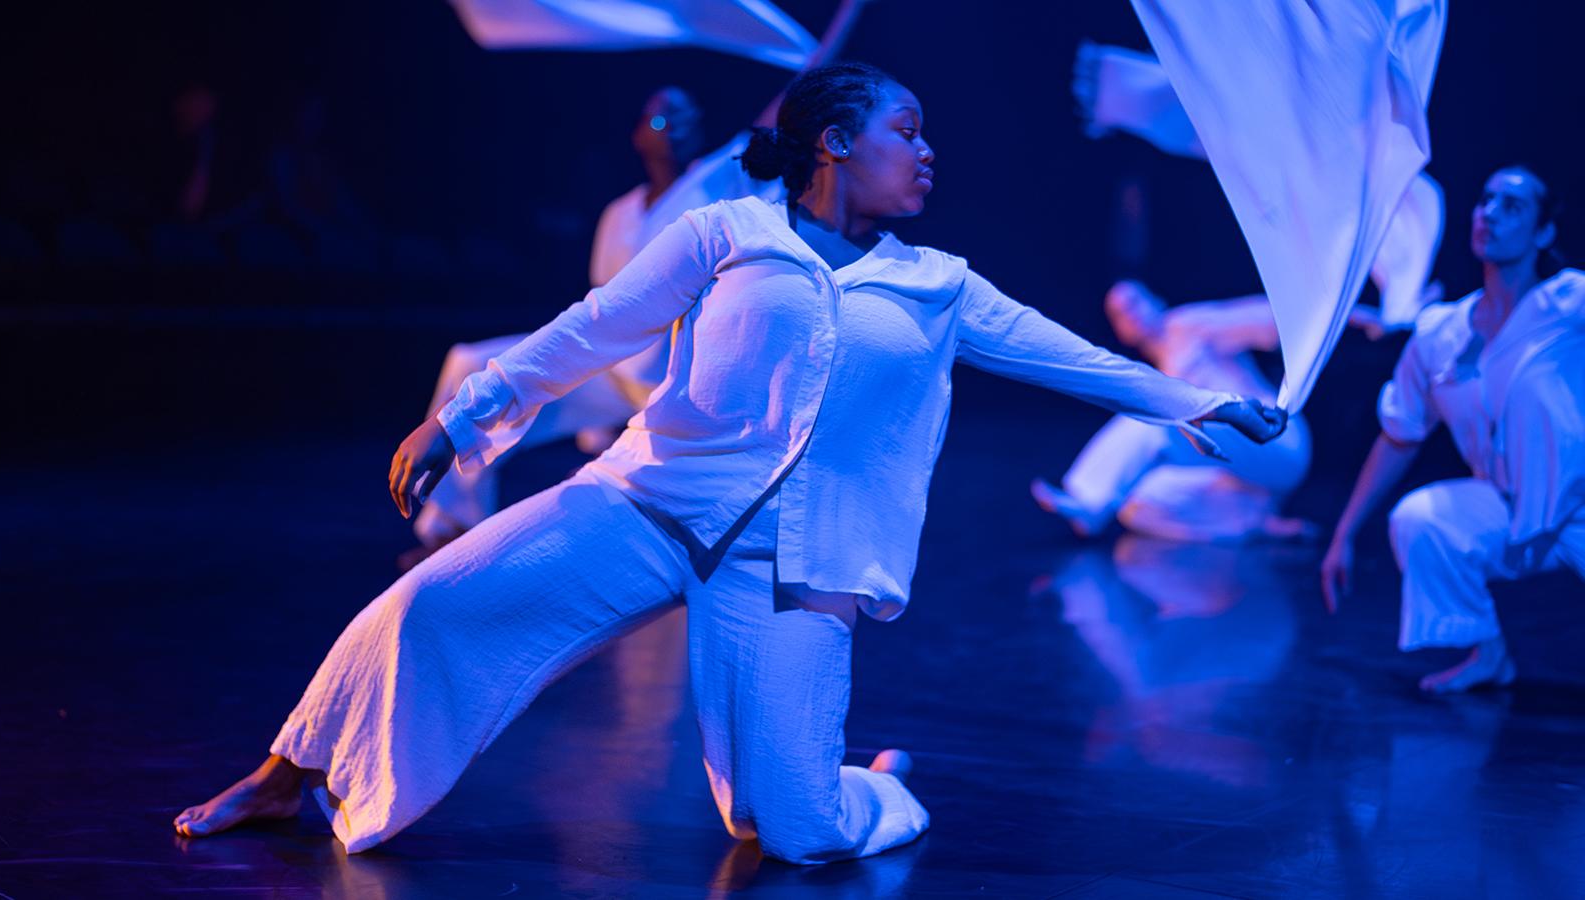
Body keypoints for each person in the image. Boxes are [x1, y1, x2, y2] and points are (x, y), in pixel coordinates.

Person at [173, 62, 1285, 864]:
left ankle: (875, 794)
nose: (929, 149)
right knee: (432, 604)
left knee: (793, 833)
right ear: (837, 141)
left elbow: (1076, 359)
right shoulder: (727, 236)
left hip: (792, 566)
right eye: (910, 129)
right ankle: (292, 774)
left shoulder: (939, 283)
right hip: (647, 502)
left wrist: (1207, 402)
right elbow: (592, 329)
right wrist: (461, 418)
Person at [407, 0, 869, 566]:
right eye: (659, 119)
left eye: (684, 117)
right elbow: (601, 304)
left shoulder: (717, 178)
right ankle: (448, 526)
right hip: (613, 375)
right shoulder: (620, 213)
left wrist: (844, 23)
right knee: (469, 365)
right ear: (638, 137)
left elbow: (789, 106)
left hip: (673, 386)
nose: (672, 127)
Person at [1321, 166, 1585, 694]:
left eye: (1512, 206)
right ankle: (1488, 654)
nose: (1489, 213)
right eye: (1485, 200)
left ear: (1543, 232)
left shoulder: (1571, 303)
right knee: (1423, 521)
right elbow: (1401, 433)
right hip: (1508, 504)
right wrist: (1344, 533)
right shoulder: (1441, 332)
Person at [1031, 282, 1331, 542]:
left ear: (1156, 301)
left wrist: (1343, 311)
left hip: (1278, 440)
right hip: (1246, 469)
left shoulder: (1187, 326)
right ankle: (1253, 519)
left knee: (1156, 415)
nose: (1130, 314)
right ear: (1120, 331)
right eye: (1119, 314)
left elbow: (1266, 319)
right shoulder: (1159, 369)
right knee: (1136, 502)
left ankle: (1088, 500)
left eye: (1134, 302)